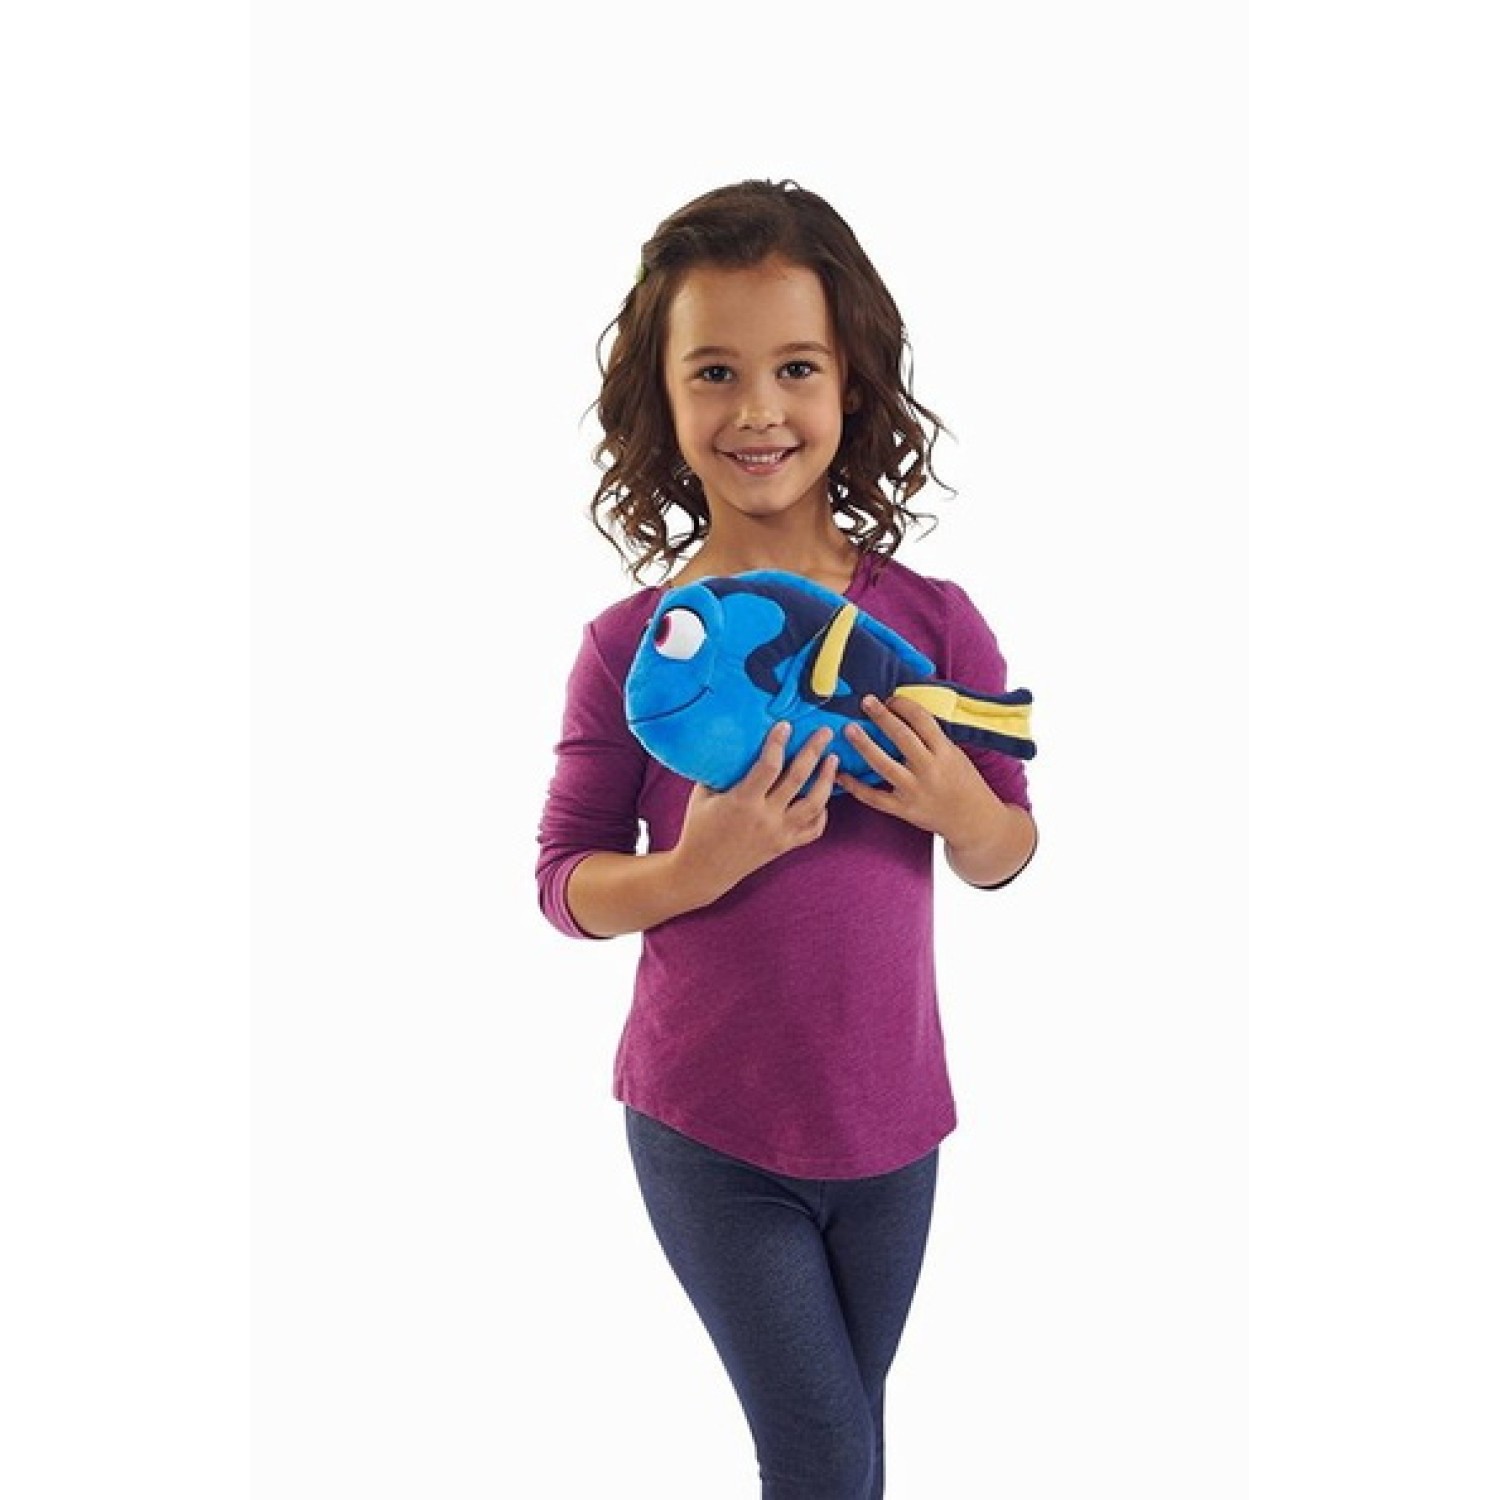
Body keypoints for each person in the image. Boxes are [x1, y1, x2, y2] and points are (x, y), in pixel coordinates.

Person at [534, 178, 1038, 1499]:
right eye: (715, 371)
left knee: (850, 1450)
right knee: (821, 1454)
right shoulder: (634, 651)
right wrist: (696, 869)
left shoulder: (934, 623)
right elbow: (564, 883)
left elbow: (1006, 849)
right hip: (711, 1127)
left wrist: (961, 810)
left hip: (896, 1123)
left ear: (851, 385)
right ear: (662, 400)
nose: (757, 409)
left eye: (796, 367)